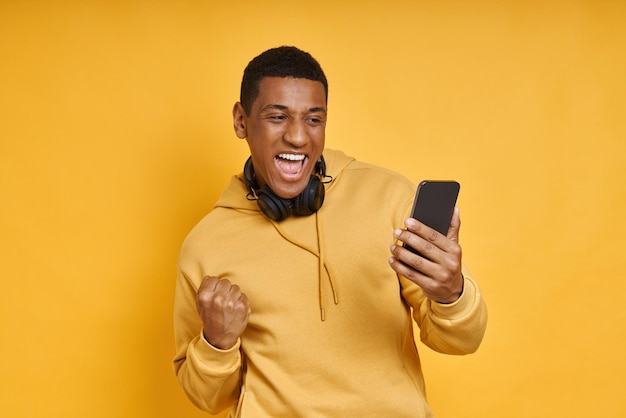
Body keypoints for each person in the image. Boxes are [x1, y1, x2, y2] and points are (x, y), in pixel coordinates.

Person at [173, 46, 487, 417]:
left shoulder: (389, 198)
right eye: (277, 116)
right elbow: (207, 397)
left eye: (313, 119)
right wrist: (217, 342)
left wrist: (452, 294)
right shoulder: (206, 244)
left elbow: (462, 341)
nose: (298, 137)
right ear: (241, 121)